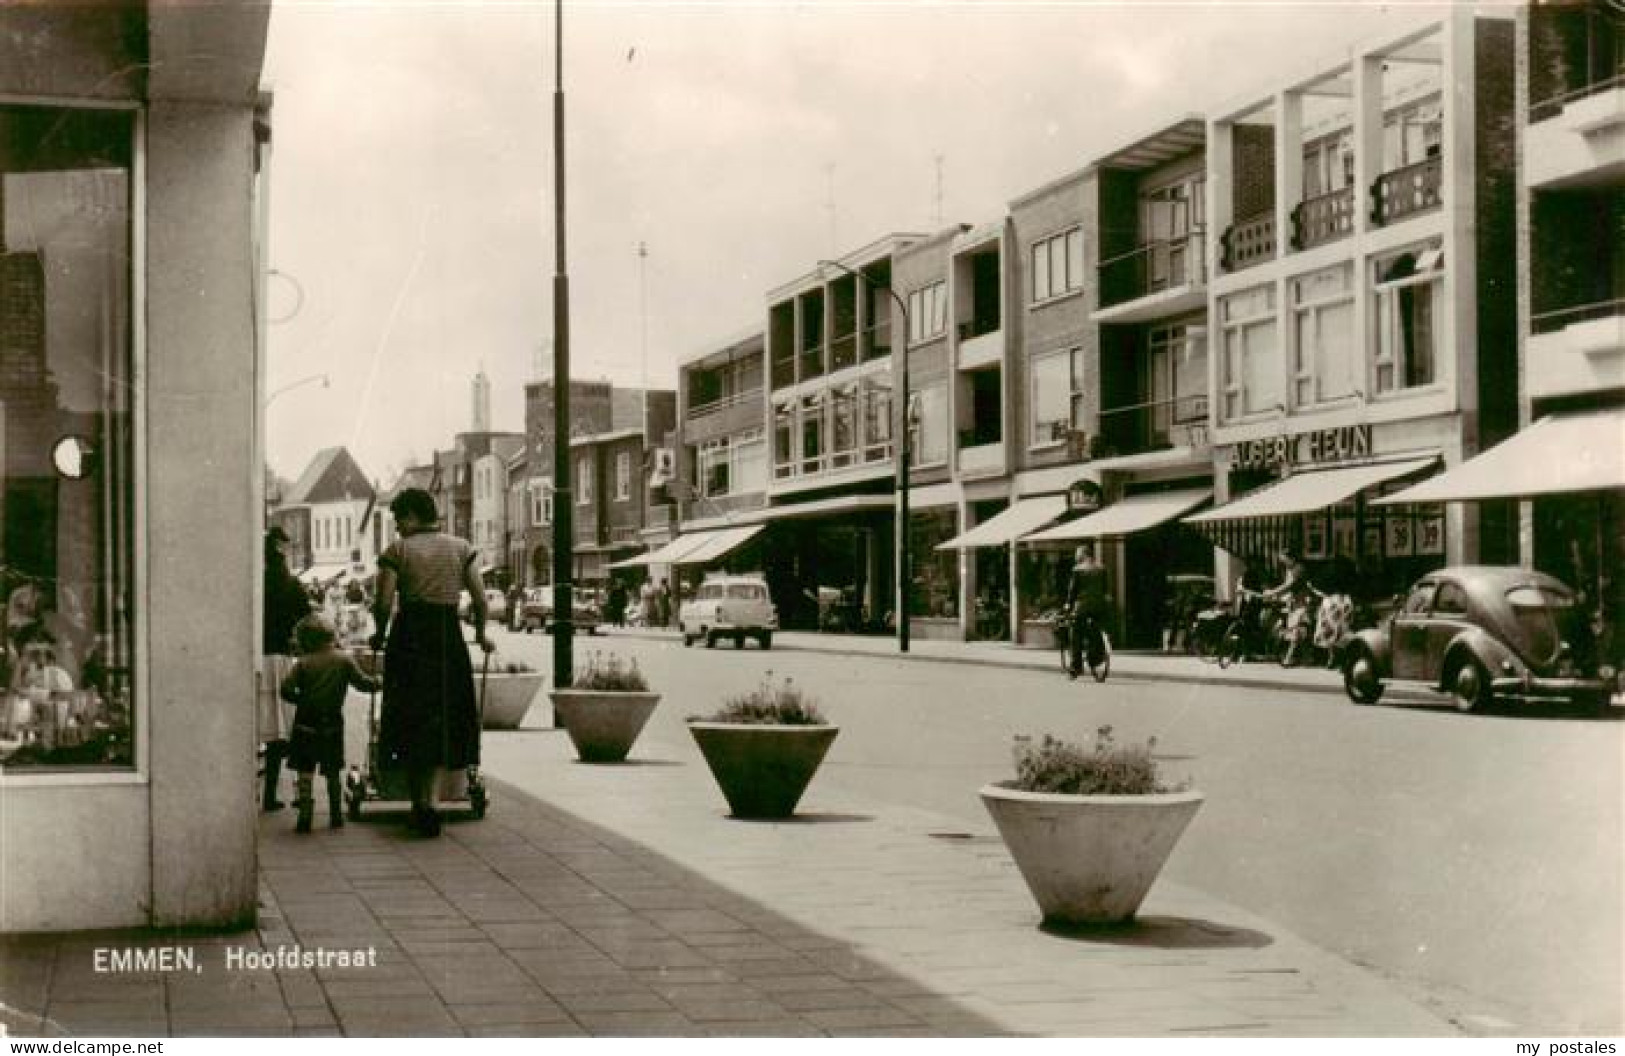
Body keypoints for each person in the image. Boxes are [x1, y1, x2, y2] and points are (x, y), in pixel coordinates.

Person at [369, 488, 493, 838]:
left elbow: (382, 602)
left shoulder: (398, 551)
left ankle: (418, 804)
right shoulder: (461, 548)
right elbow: (481, 601)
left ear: (410, 516)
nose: (396, 527)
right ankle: (435, 802)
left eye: (398, 520)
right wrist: (481, 635)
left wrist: (379, 633)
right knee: (442, 718)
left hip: (409, 637)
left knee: (409, 717)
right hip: (445, 638)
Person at [280, 615, 378, 833]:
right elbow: (362, 683)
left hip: (305, 722)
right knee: (333, 770)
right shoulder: (343, 660)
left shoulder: (303, 664)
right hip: (332, 722)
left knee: (305, 770)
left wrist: (301, 700)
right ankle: (335, 815)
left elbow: (286, 690)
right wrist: (377, 683)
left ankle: (305, 816)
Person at [260, 526, 312, 812]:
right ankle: (272, 794)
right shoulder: (290, 585)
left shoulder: (257, 581)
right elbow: (305, 615)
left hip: (255, 657)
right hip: (279, 659)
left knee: (258, 728)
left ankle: (257, 793)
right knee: (280, 732)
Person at [1063, 543, 1110, 679]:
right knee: (1096, 631)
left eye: (1077, 554)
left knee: (1076, 635)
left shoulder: (1077, 570)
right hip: (1099, 607)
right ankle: (1096, 659)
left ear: (1083, 554)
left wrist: (1068, 605)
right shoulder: (1102, 568)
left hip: (1082, 608)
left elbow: (1072, 591)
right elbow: (1106, 590)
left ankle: (1076, 668)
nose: (1076, 557)